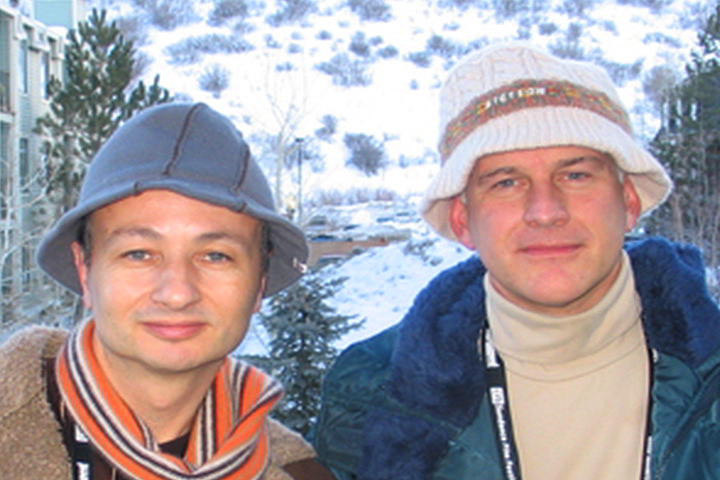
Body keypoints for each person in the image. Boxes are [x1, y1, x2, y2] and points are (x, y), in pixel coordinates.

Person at [312, 42, 720, 480]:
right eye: (507, 183)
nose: (545, 210)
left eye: (576, 175)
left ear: (629, 201)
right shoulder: (372, 398)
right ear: (463, 219)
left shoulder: (709, 385)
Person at [0, 103, 336, 480]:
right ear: (85, 270)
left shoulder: (298, 472)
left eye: (215, 256)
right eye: (139, 253)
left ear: (259, 283)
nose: (177, 293)